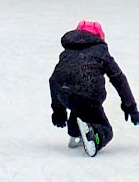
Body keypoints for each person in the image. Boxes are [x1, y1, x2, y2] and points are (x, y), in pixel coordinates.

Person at [50, 20, 139, 155]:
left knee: (77, 104)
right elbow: (119, 78)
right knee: (106, 130)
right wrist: (130, 107)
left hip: (65, 95)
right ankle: (95, 136)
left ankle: (75, 131)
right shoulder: (101, 51)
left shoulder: (67, 52)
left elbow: (54, 80)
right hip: (89, 96)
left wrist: (59, 111)